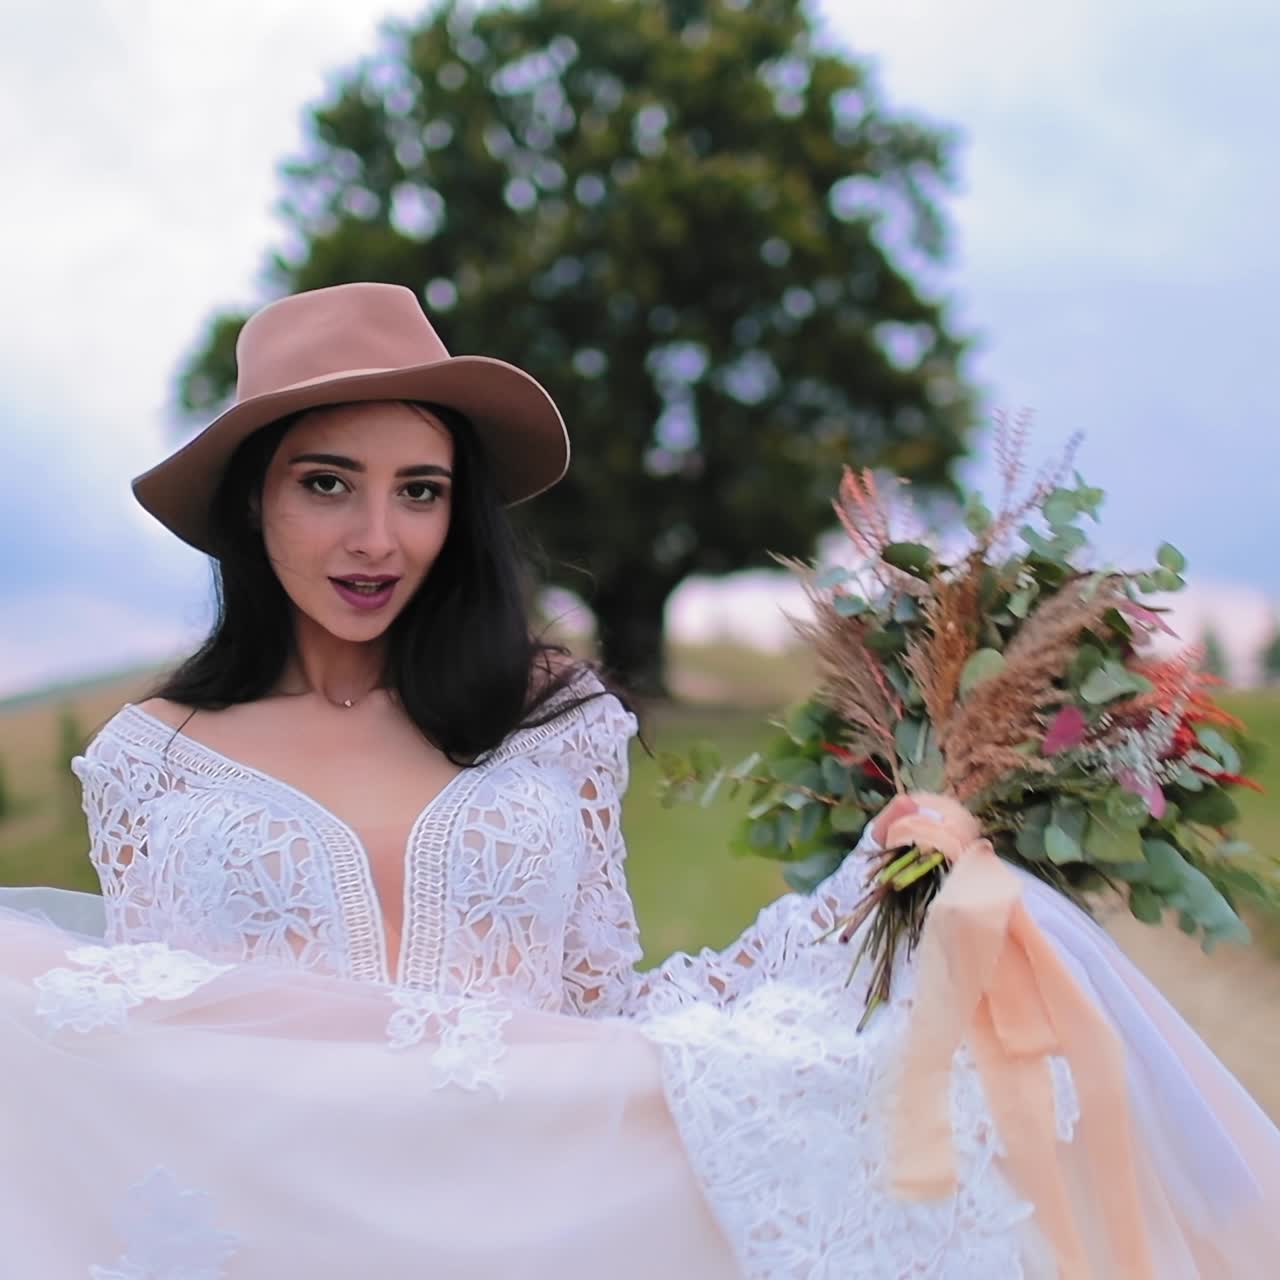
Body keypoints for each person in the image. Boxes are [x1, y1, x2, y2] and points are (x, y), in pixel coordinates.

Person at [1, 282, 1277, 1278]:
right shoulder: (150, 758)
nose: (377, 536)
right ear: (252, 498)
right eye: (325, 482)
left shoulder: (550, 718)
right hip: (281, 1236)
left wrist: (860, 896)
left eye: (421, 489)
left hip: (544, 1227)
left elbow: (605, 1010)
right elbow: (150, 1048)